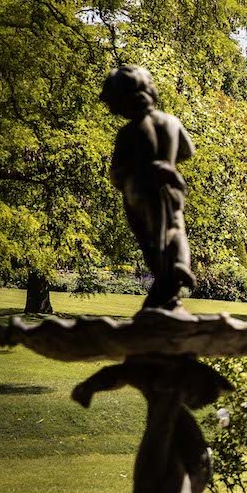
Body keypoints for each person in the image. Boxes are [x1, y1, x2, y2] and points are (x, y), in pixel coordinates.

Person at [100, 65, 195, 311]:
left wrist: (129, 174)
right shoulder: (171, 122)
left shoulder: (128, 132)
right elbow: (188, 151)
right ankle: (179, 268)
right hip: (170, 183)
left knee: (150, 241)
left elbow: (116, 172)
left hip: (138, 190)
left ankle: (166, 285)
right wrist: (167, 162)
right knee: (175, 228)